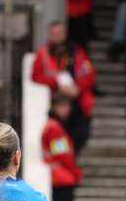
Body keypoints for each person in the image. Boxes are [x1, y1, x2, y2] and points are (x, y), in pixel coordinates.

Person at [31, 21, 96, 153]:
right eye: (53, 34)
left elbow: (89, 72)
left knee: (80, 135)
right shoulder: (43, 53)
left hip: (78, 105)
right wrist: (56, 83)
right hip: (55, 104)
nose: (57, 37)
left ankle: (69, 157)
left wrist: (77, 88)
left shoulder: (76, 51)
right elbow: (35, 76)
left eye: (59, 33)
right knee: (58, 140)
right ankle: (63, 158)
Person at [42, 95, 84, 201]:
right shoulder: (54, 128)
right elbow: (63, 154)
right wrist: (75, 172)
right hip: (62, 180)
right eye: (63, 106)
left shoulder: (54, 126)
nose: (67, 110)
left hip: (61, 179)